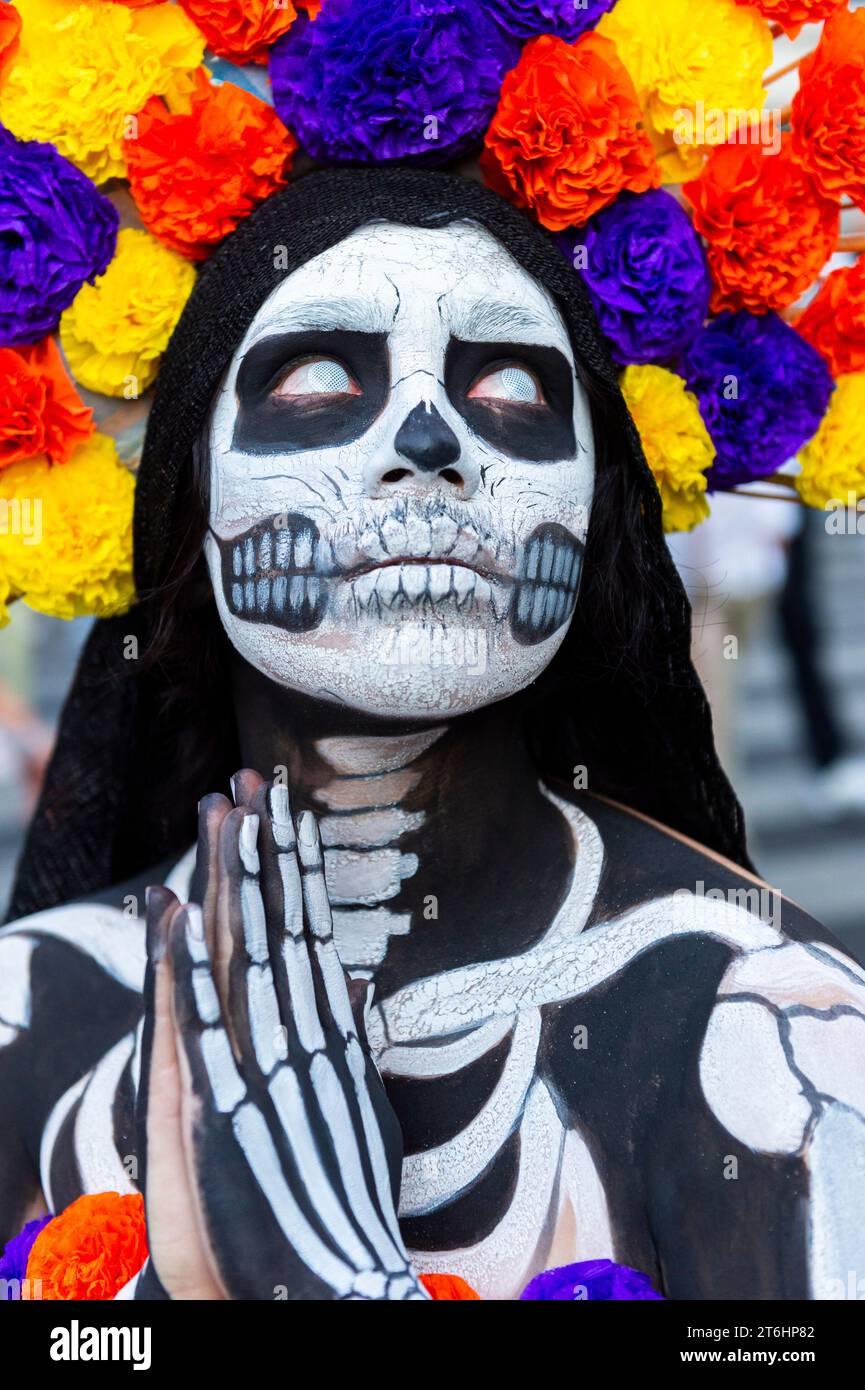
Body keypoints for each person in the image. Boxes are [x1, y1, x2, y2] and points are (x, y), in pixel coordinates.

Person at [1, 170, 863, 1301]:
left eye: (507, 385)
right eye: (316, 376)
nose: (425, 436)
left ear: (592, 510)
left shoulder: (785, 1035)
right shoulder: (29, 1011)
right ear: (190, 496)